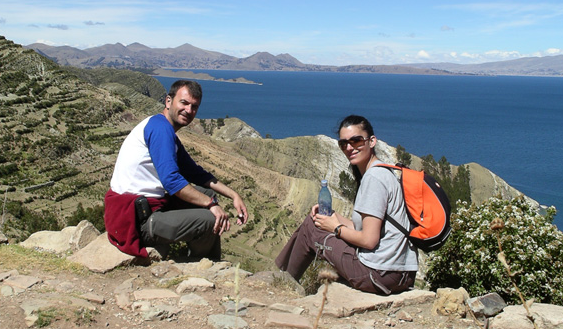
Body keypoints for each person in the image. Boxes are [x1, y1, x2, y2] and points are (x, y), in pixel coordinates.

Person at [104, 79, 248, 261]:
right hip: (136, 219)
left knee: (206, 193)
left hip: (148, 205)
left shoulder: (164, 129)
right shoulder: (160, 129)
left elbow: (195, 172)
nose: (189, 110)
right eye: (184, 103)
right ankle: (202, 264)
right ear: (168, 101)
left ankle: (201, 257)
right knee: (210, 218)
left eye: (194, 107)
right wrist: (211, 205)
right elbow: (171, 181)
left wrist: (234, 195)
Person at [275, 114, 417, 295]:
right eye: (343, 144)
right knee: (318, 219)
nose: (349, 148)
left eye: (356, 141)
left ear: (372, 141)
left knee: (311, 226)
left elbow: (368, 240)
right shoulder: (384, 172)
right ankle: (283, 276)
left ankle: (284, 284)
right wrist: (333, 218)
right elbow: (367, 229)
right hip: (399, 275)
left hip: (378, 275)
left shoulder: (374, 178)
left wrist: (336, 228)